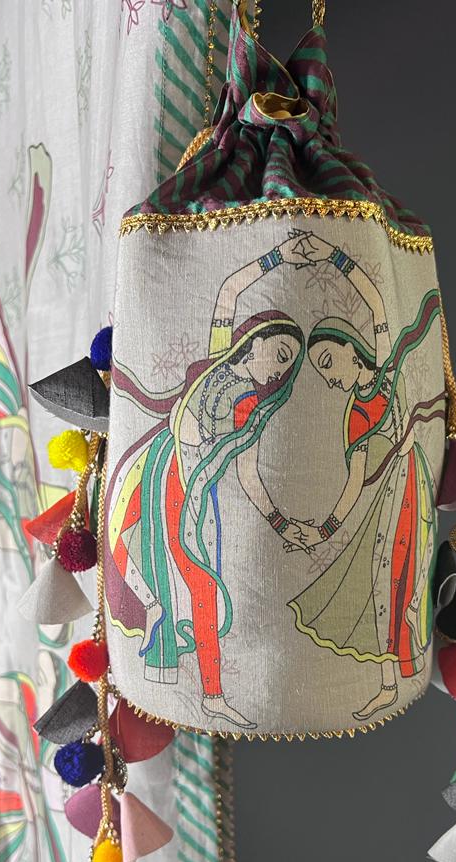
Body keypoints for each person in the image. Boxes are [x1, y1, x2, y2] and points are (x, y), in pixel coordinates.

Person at [107, 241, 308, 729]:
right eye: (279, 353)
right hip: (160, 473)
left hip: (198, 497)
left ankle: (209, 691)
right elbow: (230, 291)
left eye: (287, 367)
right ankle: (184, 658)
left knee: (202, 588)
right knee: (151, 561)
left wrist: (282, 523)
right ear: (254, 341)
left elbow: (248, 474)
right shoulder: (218, 360)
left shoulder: (253, 413)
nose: (278, 370)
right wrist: (279, 258)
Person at [284, 233, 442, 721]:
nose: (330, 376)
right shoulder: (354, 414)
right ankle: (389, 681)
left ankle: (402, 666)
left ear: (353, 351)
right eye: (321, 371)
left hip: (414, 482)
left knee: (408, 576)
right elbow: (354, 482)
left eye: (329, 362)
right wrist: (324, 529)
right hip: (391, 492)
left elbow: (375, 301)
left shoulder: (385, 365)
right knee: (382, 580)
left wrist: (331, 254)